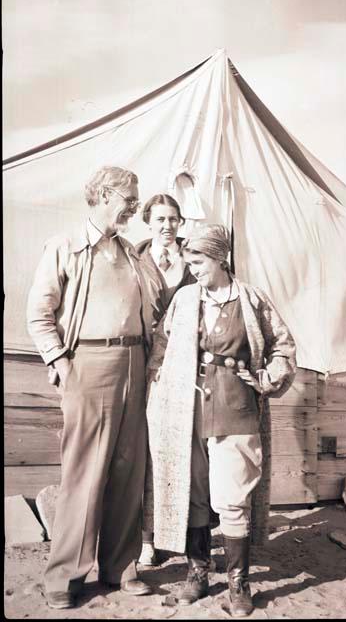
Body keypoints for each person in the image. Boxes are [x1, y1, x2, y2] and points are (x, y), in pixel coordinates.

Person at [143, 224, 296, 617]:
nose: (192, 269)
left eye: (199, 262)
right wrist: (158, 383)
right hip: (187, 411)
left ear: (220, 258)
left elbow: (282, 345)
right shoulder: (185, 299)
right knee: (192, 494)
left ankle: (237, 582)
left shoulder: (252, 299)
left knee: (232, 498)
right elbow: (161, 346)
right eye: (189, 262)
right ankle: (197, 572)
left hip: (236, 408)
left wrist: (269, 377)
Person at [27, 166, 154, 609]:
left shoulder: (132, 252)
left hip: (135, 363)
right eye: (129, 198)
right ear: (103, 194)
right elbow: (39, 313)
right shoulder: (66, 247)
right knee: (85, 472)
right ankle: (65, 577)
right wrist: (59, 360)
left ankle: (121, 566)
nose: (135, 207)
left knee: (127, 469)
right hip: (89, 364)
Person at [135, 193, 196, 566]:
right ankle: (146, 538)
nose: (167, 226)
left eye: (173, 219)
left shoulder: (193, 261)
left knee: (182, 448)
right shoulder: (134, 259)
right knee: (148, 450)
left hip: (183, 362)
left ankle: (182, 533)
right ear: (148, 221)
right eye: (160, 219)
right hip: (144, 362)